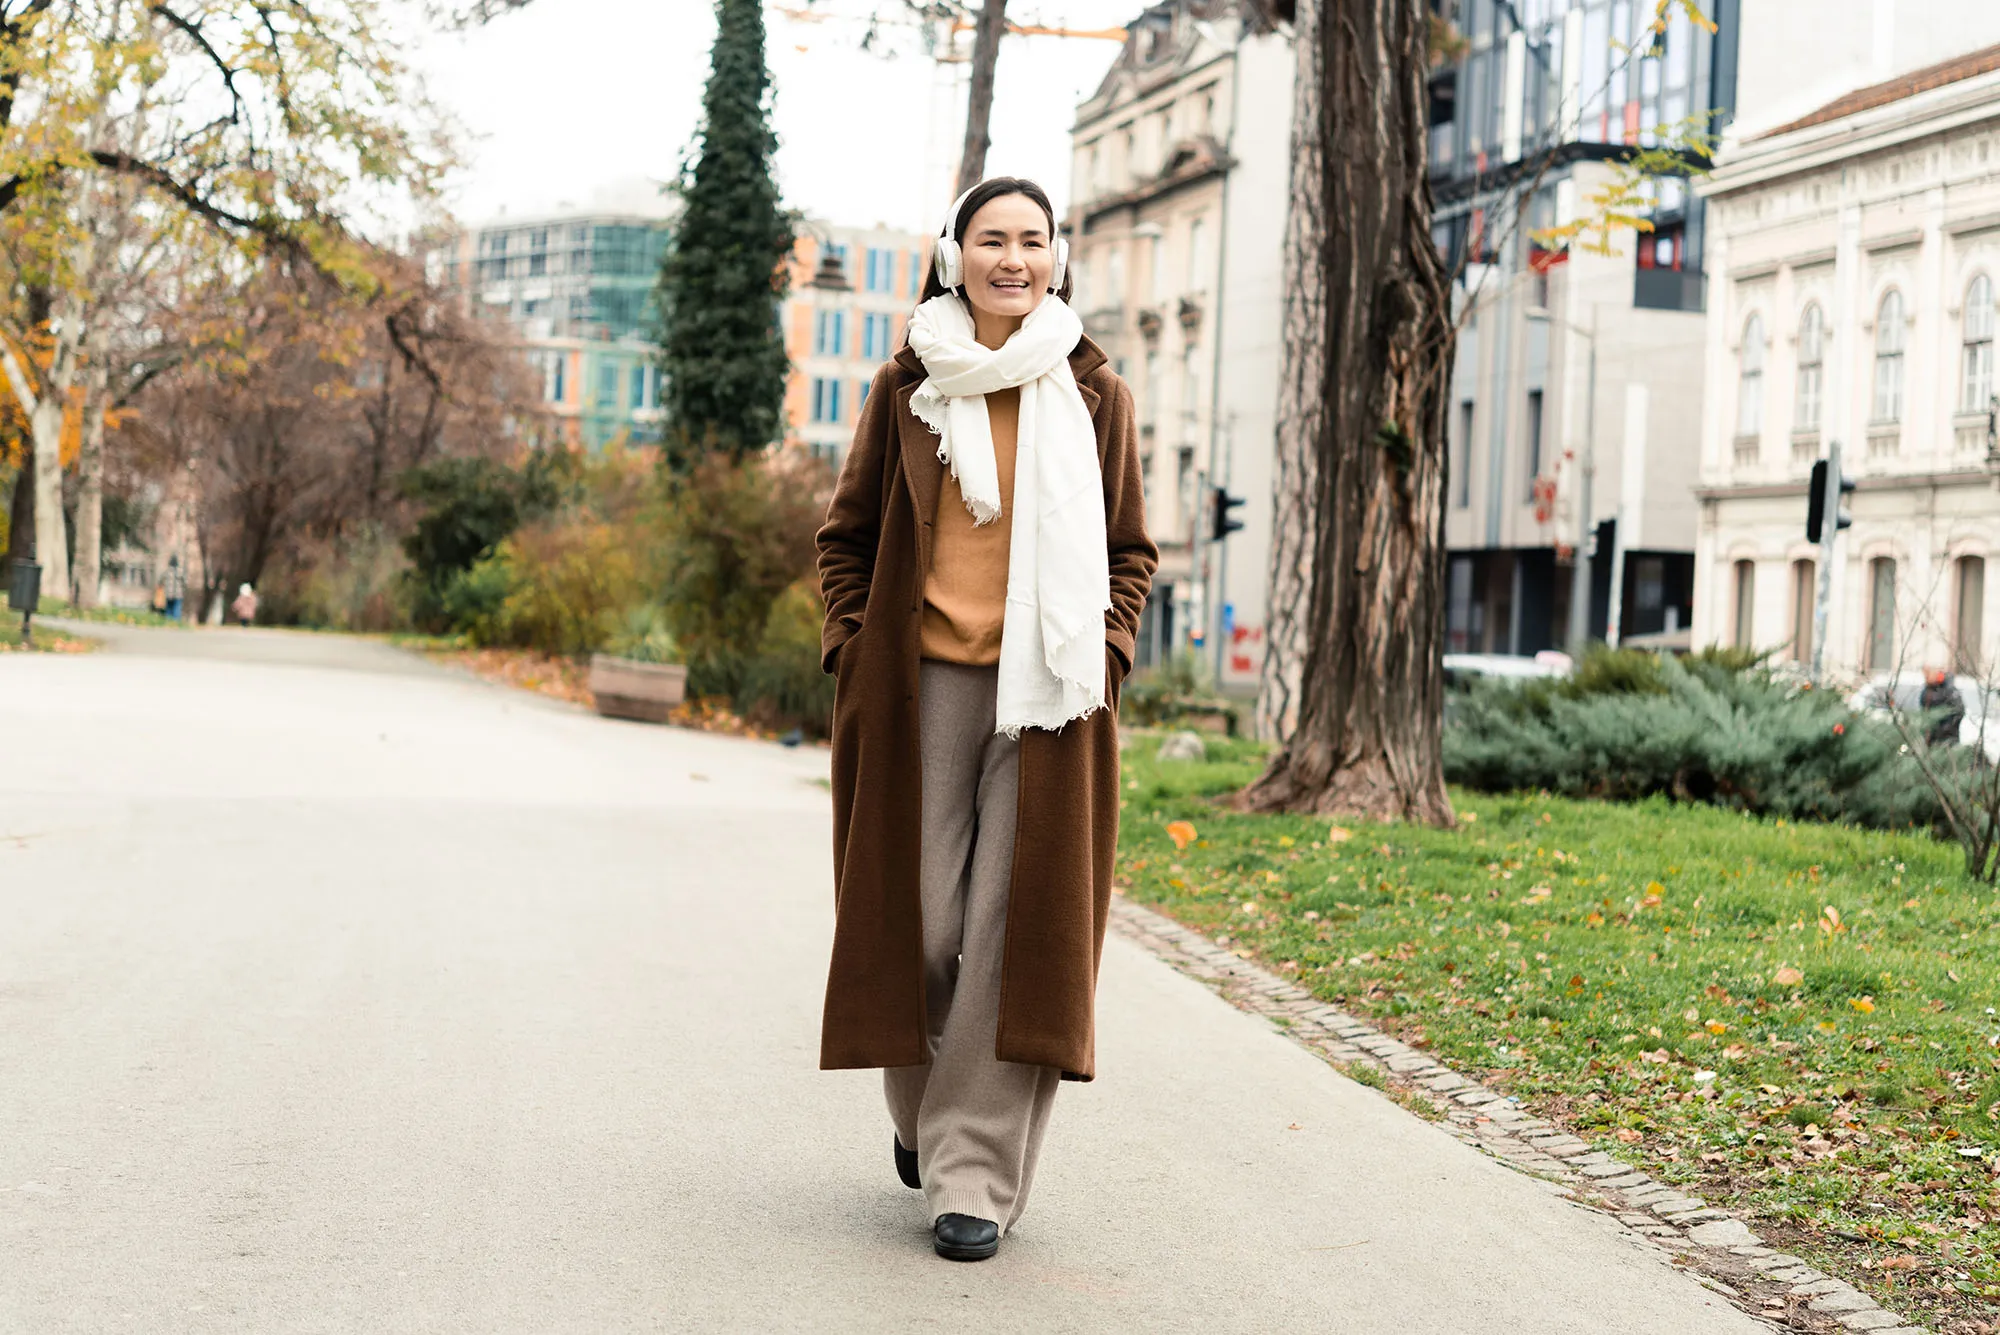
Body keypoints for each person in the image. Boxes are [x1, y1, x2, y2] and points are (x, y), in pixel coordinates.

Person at [816, 176, 1157, 1263]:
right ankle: (921, 1117)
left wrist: (1101, 650)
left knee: (1009, 936)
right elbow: (846, 537)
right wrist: (849, 650)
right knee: (916, 922)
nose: (1012, 258)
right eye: (990, 239)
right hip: (920, 686)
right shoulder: (908, 382)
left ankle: (971, 1172)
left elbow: (1129, 553)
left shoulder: (1094, 394)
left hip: (1051, 698)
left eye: (1032, 240)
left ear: (1057, 256)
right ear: (951, 253)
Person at [1921, 668, 1964, 750]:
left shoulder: (1949, 691)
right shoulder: (1928, 691)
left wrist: (1945, 727)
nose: (1926, 678)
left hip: (1947, 738)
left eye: (1928, 674)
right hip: (1932, 738)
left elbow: (1958, 711)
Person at [163, 556, 186, 622]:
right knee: (177, 608)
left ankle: (168, 621)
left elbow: (160, 580)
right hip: (178, 594)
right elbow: (185, 582)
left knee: (168, 608)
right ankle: (176, 621)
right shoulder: (180, 571)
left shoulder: (167, 571)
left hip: (168, 594)